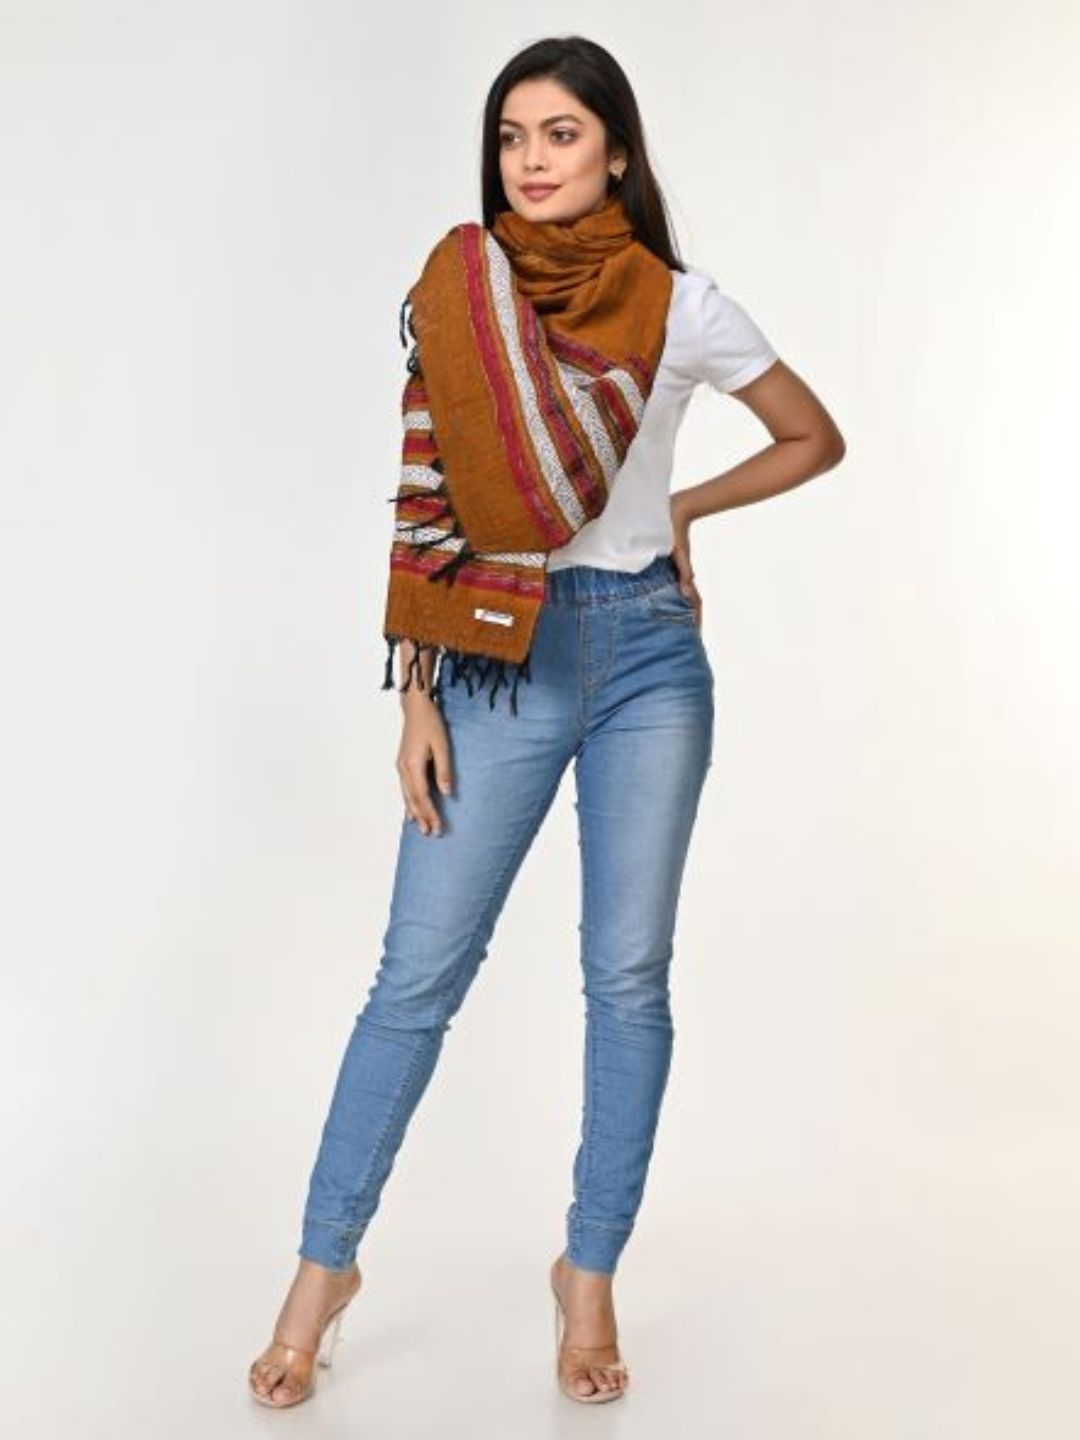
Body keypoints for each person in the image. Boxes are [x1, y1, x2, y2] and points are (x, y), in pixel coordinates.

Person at [248, 34, 845, 1410]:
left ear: (616, 152)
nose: (531, 158)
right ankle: (322, 1272)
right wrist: (416, 690)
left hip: (646, 655)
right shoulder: (463, 290)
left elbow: (814, 435)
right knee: (415, 979)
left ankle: (589, 1271)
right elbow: (428, 500)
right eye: (513, 135)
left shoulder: (683, 307)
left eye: (561, 133)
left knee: (627, 977)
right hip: (493, 659)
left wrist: (685, 509)